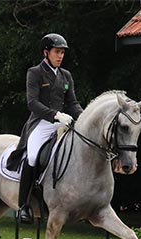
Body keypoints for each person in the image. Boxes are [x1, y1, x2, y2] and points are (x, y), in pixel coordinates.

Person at [6, 33, 83, 224]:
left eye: (62, 53)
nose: (60, 56)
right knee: (32, 157)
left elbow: (72, 103)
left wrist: (83, 117)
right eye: (57, 52)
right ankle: (23, 206)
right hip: (41, 123)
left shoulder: (66, 76)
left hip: (63, 121)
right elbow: (32, 103)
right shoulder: (35, 72)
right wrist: (55, 115)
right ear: (46, 52)